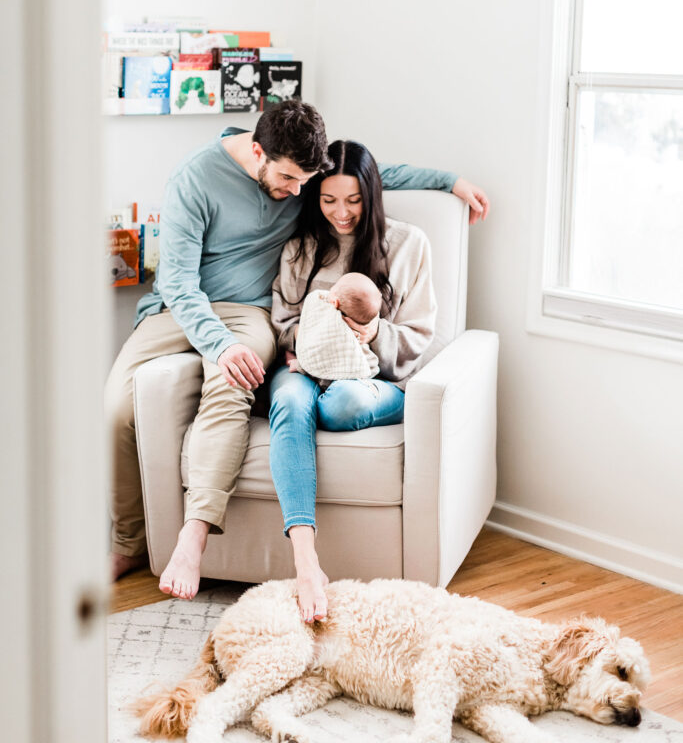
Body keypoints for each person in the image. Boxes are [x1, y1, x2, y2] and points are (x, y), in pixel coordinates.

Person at [106, 100, 489, 600]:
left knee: (233, 384)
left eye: (306, 182)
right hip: (180, 306)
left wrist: (450, 181)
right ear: (259, 151)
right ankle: (129, 539)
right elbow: (178, 283)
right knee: (114, 412)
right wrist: (218, 343)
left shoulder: (308, 175)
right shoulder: (195, 179)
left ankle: (194, 535)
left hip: (249, 313)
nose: (298, 194)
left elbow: (366, 175)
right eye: (289, 180)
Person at [270, 139, 446, 622]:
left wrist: (370, 332)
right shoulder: (302, 247)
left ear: (372, 194)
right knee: (288, 403)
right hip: (305, 367)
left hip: (376, 378)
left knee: (342, 404)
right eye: (328, 200)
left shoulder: (409, 245)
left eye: (353, 200)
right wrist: (314, 335)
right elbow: (281, 319)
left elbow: (418, 337)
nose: (341, 213)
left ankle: (364, 396)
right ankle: (306, 561)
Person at [289, 272, 382, 383]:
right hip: (350, 378)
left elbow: (315, 350)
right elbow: (371, 367)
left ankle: (299, 366)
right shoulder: (361, 336)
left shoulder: (329, 325)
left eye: (334, 287)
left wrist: (299, 365)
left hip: (323, 378)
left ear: (335, 303)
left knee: (316, 355)